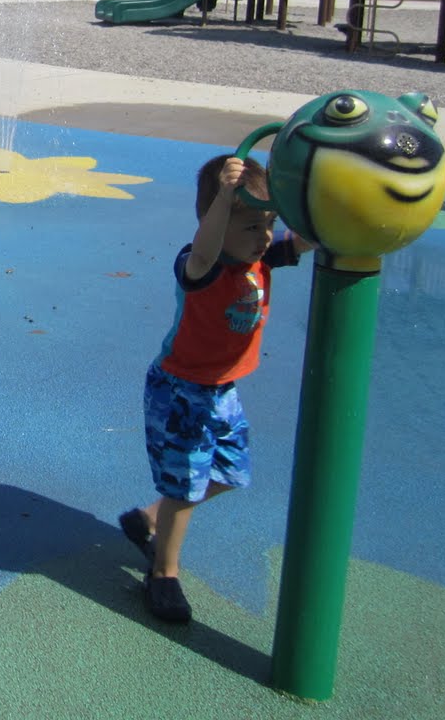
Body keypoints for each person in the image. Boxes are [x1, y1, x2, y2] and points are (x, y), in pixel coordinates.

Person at [117, 153, 311, 624]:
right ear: (214, 220)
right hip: (182, 390)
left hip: (222, 391)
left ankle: (148, 518)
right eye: (250, 227)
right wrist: (225, 198)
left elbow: (307, 238)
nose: (263, 238)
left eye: (268, 225)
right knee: (186, 484)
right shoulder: (200, 265)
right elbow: (205, 247)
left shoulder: (261, 256)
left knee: (228, 473)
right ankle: (163, 575)